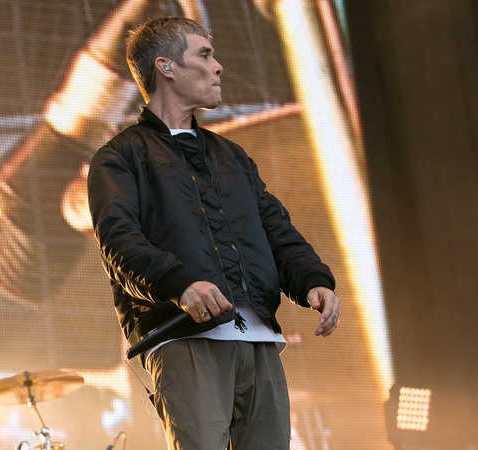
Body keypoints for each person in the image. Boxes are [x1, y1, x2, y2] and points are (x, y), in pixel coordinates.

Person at [87, 16, 341, 450]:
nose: (218, 66)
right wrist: (180, 284)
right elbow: (119, 242)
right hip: (182, 334)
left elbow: (273, 227)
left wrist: (313, 278)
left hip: (258, 336)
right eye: (204, 55)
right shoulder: (120, 156)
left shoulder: (231, 155)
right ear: (166, 67)